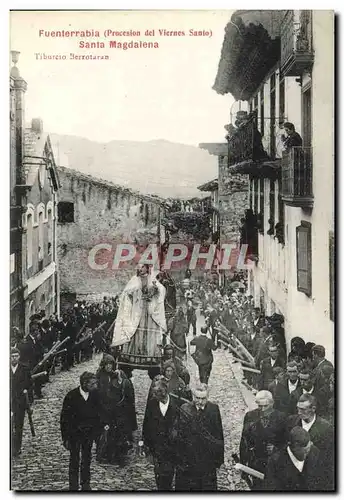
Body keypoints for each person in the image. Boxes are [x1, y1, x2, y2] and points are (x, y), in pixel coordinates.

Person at [111, 265, 167, 370]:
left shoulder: (152, 279)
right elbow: (126, 292)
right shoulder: (134, 279)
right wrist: (135, 291)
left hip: (148, 309)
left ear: (146, 268)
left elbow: (162, 289)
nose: (140, 269)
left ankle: (150, 357)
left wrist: (155, 291)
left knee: (149, 331)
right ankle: (133, 356)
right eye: (139, 267)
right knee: (135, 330)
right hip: (138, 309)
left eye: (142, 267)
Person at [174, 384, 224, 491]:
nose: (200, 402)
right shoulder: (185, 409)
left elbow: (218, 434)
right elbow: (179, 435)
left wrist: (219, 459)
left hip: (207, 459)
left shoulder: (214, 409)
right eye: (197, 398)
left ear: (207, 397)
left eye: (203, 398)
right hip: (189, 458)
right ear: (193, 397)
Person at [60, 372, 100, 491]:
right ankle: (73, 485)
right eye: (92, 384)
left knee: (87, 458)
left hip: (88, 434)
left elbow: (98, 415)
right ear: (84, 383)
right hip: (74, 434)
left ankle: (85, 483)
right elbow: (64, 419)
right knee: (74, 459)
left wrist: (97, 433)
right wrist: (65, 438)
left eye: (95, 383)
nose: (95, 386)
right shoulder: (71, 396)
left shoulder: (95, 395)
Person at [239, 390, 287, 490]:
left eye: (266, 406)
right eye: (260, 406)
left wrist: (276, 448)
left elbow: (286, 442)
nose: (263, 409)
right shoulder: (250, 416)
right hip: (256, 462)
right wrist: (243, 465)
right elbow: (244, 441)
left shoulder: (281, 418)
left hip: (274, 463)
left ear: (272, 403)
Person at [287, 394, 334, 489]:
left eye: (303, 409)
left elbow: (329, 458)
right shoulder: (291, 422)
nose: (299, 412)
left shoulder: (326, 428)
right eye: (298, 408)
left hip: (314, 478)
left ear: (313, 408)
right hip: (293, 477)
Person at [142, 378, 179, 490]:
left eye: (158, 394)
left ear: (165, 392)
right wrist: (145, 445)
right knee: (159, 474)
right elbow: (146, 424)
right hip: (156, 446)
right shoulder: (152, 403)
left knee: (168, 474)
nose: (156, 397)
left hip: (171, 447)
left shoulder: (176, 405)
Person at [11, 347, 33, 458]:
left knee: (18, 426)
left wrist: (26, 391)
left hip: (20, 402)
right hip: (9, 401)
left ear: (19, 357)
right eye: (12, 356)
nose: (14, 358)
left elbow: (30, 384)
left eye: (16, 356)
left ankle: (17, 448)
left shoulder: (24, 369)